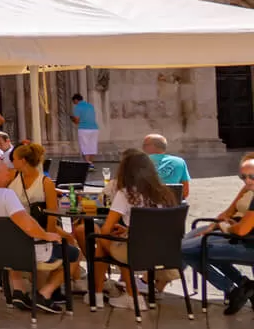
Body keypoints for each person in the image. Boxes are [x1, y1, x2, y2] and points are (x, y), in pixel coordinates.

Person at [0, 157, 77, 313]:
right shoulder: (6, 195)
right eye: (6, 172)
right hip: (24, 253)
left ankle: (19, 291)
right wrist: (46, 235)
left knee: (9, 240)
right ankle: (45, 293)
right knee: (73, 253)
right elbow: (27, 225)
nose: (9, 176)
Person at [94, 147, 178, 308]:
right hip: (164, 251)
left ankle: (117, 296)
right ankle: (117, 294)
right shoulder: (165, 193)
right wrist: (127, 230)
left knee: (102, 241)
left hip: (136, 251)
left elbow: (106, 229)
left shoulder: (126, 194)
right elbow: (155, 226)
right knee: (123, 243)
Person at [182, 156, 254, 313]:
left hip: (246, 244)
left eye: (252, 176)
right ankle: (243, 286)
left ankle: (234, 288)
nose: (247, 181)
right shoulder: (249, 190)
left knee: (184, 249)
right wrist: (217, 226)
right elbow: (232, 216)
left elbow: (242, 229)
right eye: (244, 177)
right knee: (191, 248)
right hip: (240, 240)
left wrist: (228, 227)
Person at [9, 143, 59, 212]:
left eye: (14, 159)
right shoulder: (12, 176)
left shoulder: (46, 183)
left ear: (23, 161)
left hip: (36, 222)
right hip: (13, 221)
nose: (12, 162)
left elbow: (52, 212)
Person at [144, 133, 191, 199]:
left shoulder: (137, 162)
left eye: (145, 145)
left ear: (151, 146)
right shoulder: (180, 161)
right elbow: (185, 192)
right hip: (172, 207)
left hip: (145, 206)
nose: (143, 148)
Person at [71, 93, 101, 162]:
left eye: (74, 102)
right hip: (94, 129)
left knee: (85, 147)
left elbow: (77, 121)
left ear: (76, 100)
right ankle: (91, 164)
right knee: (92, 147)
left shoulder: (77, 107)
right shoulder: (90, 106)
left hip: (84, 129)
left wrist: (72, 119)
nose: (74, 104)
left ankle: (87, 164)